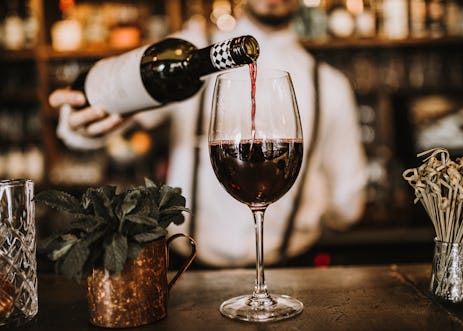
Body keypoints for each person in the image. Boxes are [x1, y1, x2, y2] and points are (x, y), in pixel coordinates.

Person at [48, 0, 367, 268]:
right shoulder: (196, 55)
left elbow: (349, 201)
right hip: (188, 269)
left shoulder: (331, 85)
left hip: (292, 274)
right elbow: (99, 120)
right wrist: (81, 124)